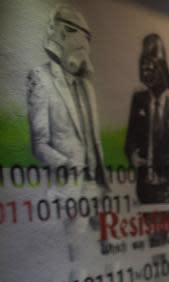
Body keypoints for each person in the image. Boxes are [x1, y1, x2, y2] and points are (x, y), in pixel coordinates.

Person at [27, 4, 106, 186]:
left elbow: (95, 142)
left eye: (88, 39)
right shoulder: (40, 79)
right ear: (63, 34)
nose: (86, 46)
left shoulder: (87, 88)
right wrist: (67, 166)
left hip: (94, 190)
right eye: (83, 37)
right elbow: (39, 144)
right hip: (67, 189)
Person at [125, 33, 169, 204]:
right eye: (145, 66)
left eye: (152, 66)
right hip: (144, 188)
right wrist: (133, 156)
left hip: (167, 190)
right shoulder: (139, 101)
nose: (147, 71)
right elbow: (130, 140)